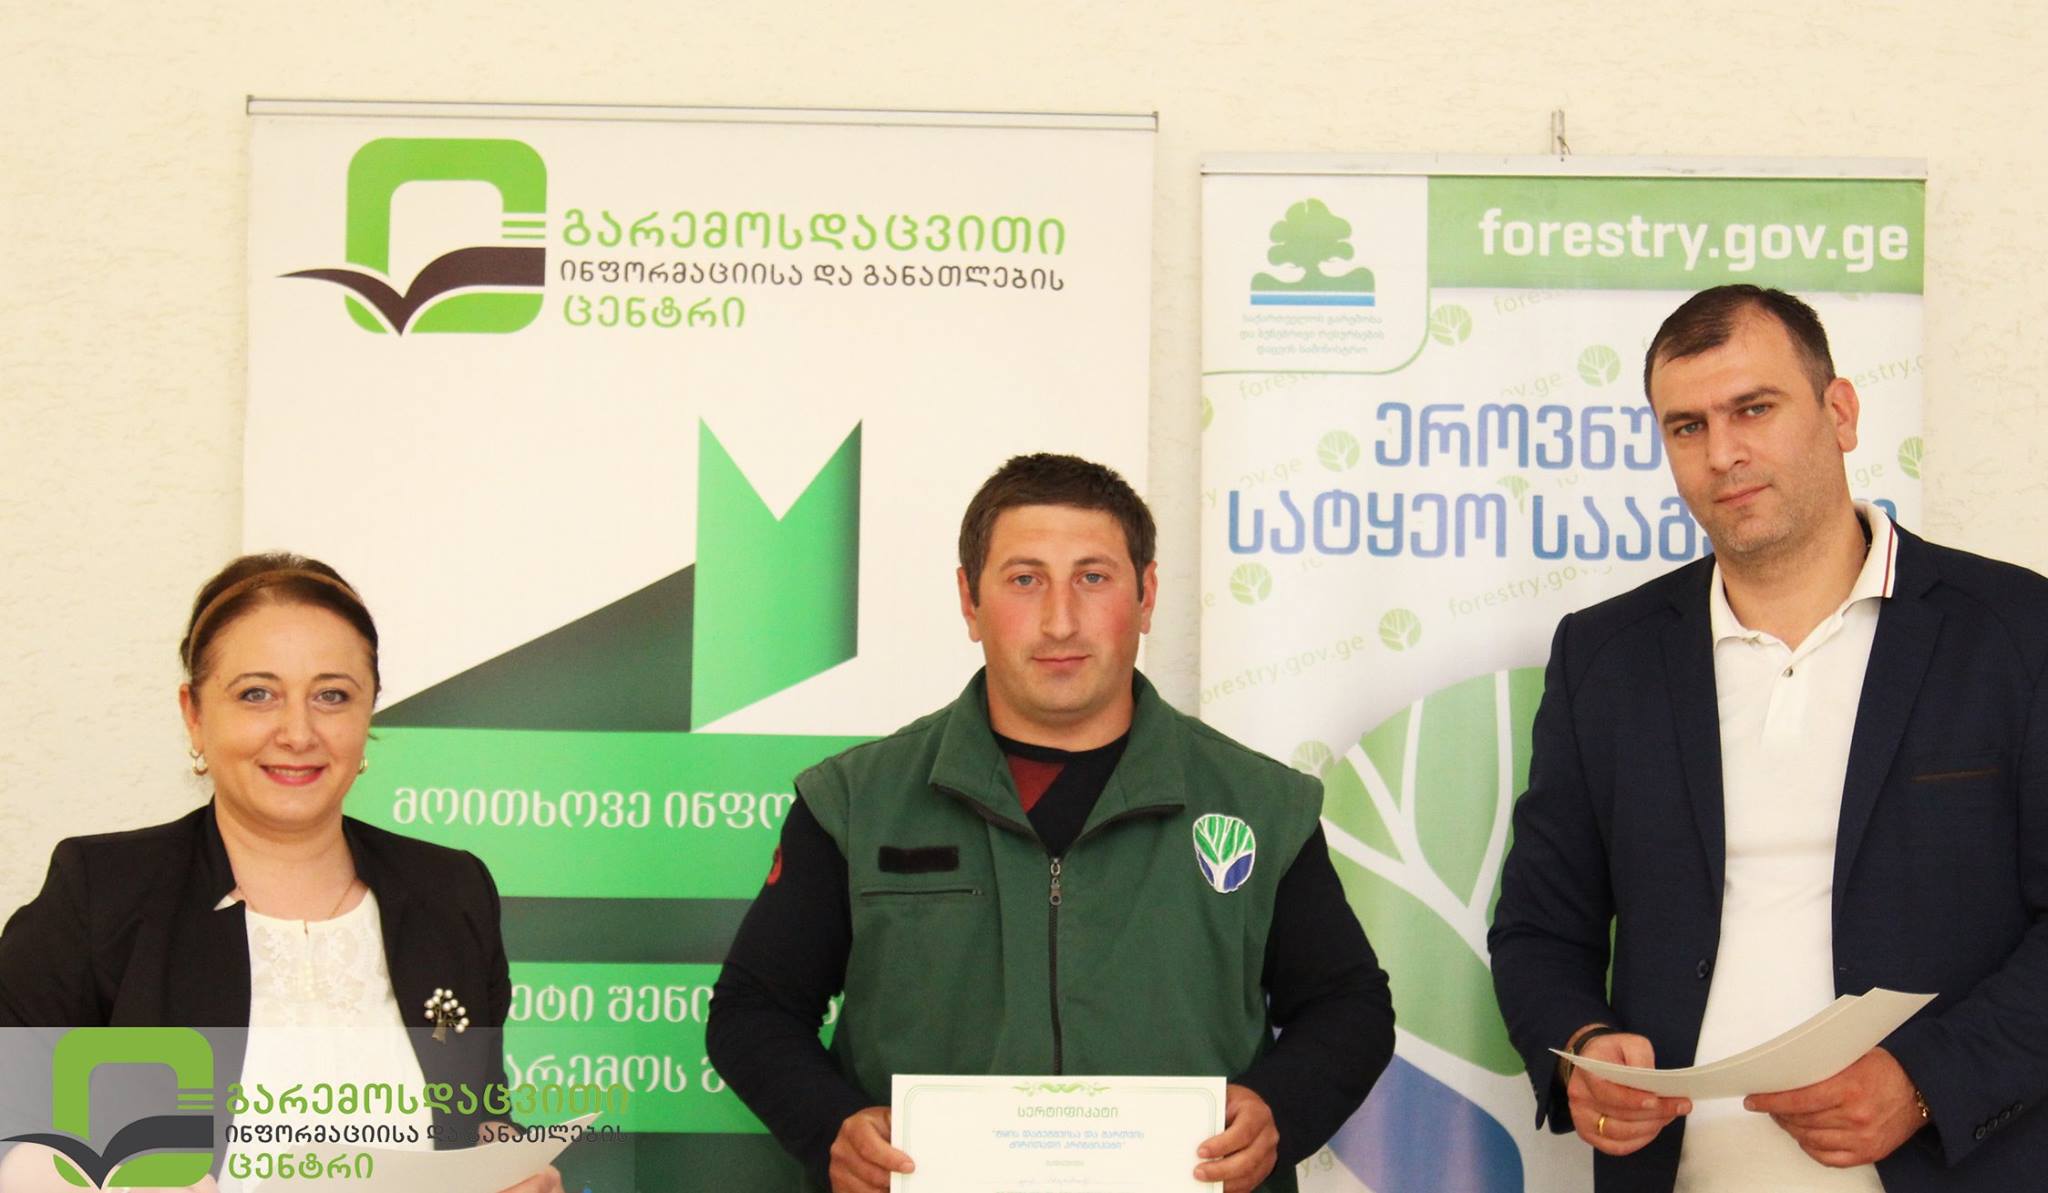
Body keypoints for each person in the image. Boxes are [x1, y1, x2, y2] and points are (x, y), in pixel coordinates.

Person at [706, 454, 1394, 1193]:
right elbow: (753, 1011)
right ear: (970, 601)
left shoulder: (1259, 804)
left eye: (1093, 577)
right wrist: (832, 1126)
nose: (1060, 619)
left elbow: (1349, 1006)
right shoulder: (855, 800)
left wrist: (1277, 1109)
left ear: (1147, 596)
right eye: (1024, 579)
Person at [1488, 285, 2048, 1192]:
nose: (1724, 453)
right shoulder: (1605, 656)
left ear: (1841, 412)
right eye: (1687, 426)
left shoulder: (2016, 632)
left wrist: (1927, 1083)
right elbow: (1539, 928)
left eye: (1753, 408)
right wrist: (1583, 1042)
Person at [0, 554, 558, 1192]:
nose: (298, 732)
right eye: (257, 694)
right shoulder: (102, 893)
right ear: (193, 714)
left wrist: (512, 1169)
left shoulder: (450, 892)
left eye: (332, 696)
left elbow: (476, 1120)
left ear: (369, 712)